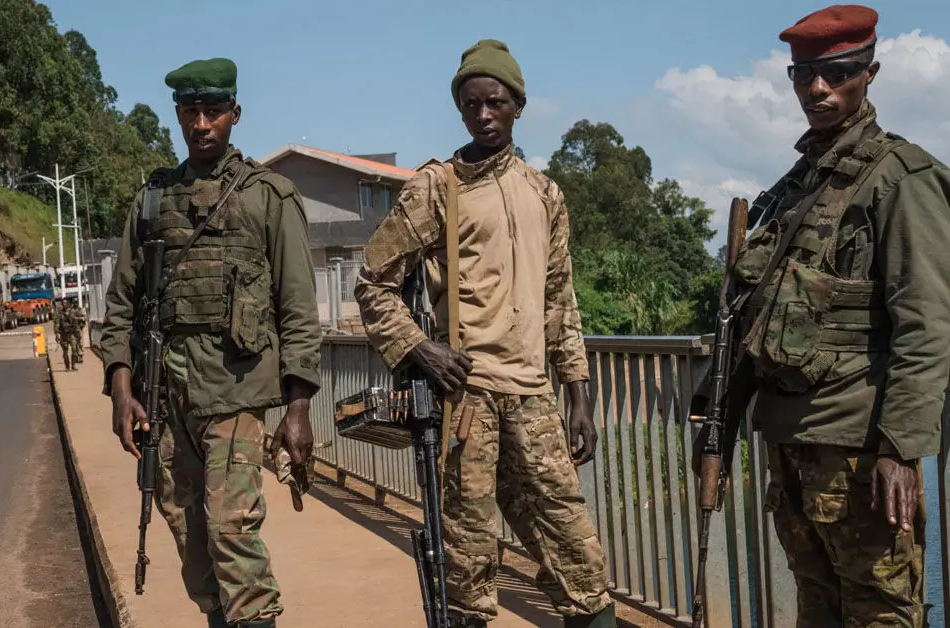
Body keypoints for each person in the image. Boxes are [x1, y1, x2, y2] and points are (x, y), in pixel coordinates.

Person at [691, 5, 950, 625]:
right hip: (790, 440)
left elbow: (926, 325)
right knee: (816, 607)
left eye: (837, 73)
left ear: (869, 73)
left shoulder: (901, 177)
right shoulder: (800, 184)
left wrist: (900, 449)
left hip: (859, 449)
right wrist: (719, 420)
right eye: (803, 74)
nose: (817, 88)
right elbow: (753, 316)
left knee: (881, 613)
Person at [354, 39, 615, 628]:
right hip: (464, 400)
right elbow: (373, 283)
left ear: (518, 105)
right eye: (470, 104)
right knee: (467, 565)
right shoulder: (436, 187)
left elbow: (560, 299)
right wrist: (419, 348)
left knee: (577, 554)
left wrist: (579, 395)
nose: (483, 115)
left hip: (534, 399)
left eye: (495, 102)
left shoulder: (545, 194)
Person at [97, 57, 323, 628]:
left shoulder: (269, 196)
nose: (201, 124)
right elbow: (120, 305)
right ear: (178, 115)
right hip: (166, 398)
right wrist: (122, 391)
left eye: (214, 111)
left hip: (236, 394)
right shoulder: (152, 200)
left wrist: (298, 410)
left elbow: (298, 310)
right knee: (192, 542)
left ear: (234, 114)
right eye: (191, 111)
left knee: (232, 532)